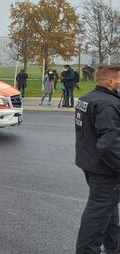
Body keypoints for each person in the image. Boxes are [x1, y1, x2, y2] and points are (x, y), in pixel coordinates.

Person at [75, 65, 120, 254]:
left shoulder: (87, 99)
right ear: (110, 82)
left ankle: (114, 245)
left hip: (90, 164)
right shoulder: (109, 105)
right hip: (106, 170)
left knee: (107, 207)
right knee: (98, 211)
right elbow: (109, 145)